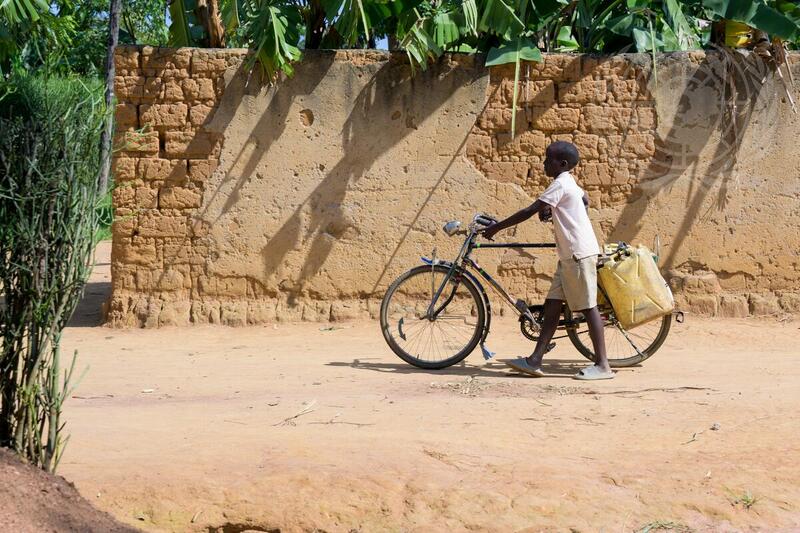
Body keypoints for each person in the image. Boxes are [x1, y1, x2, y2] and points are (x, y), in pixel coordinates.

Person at [482, 141, 614, 380]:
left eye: (548, 159)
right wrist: (556, 212)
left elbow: (528, 211)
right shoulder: (569, 183)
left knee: (588, 307)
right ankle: (535, 361)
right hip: (569, 256)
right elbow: (585, 200)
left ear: (562, 164)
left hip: (577, 254)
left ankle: (603, 365)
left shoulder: (560, 183)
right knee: (552, 306)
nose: (543, 163)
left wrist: (496, 228)